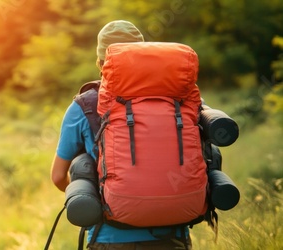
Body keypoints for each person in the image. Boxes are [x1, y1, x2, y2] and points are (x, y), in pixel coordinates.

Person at [50, 20, 193, 250]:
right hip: (172, 234)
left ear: (99, 62)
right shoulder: (180, 97)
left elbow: (58, 176)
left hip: (109, 238)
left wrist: (91, 197)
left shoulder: (84, 106)